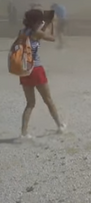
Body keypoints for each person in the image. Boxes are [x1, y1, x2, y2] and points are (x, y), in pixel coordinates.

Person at [18, 9, 66, 139]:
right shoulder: (37, 33)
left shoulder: (22, 32)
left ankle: (24, 132)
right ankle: (60, 125)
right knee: (48, 100)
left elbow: (36, 31)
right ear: (36, 21)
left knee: (30, 103)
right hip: (36, 69)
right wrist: (52, 24)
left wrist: (45, 23)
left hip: (24, 69)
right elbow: (52, 38)